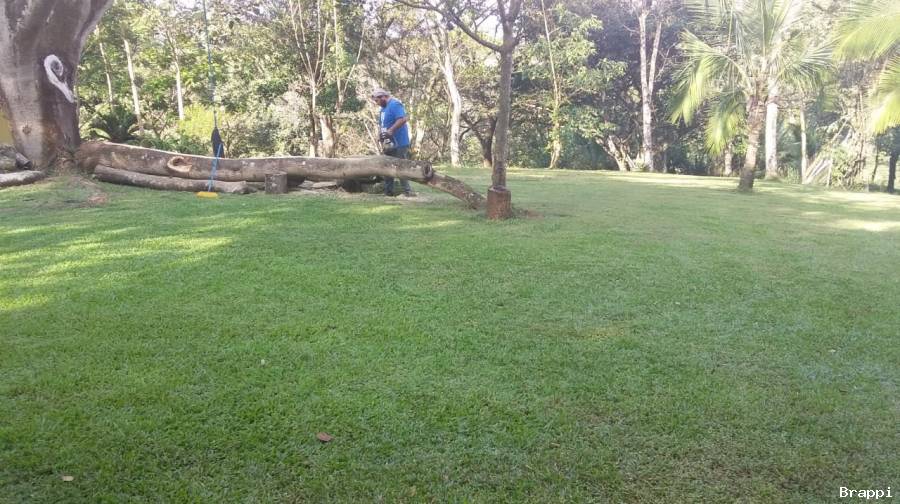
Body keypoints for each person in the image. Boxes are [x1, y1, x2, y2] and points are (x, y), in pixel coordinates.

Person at [372, 88, 413, 197]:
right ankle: (388, 192)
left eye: (377, 100)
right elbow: (382, 124)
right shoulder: (382, 109)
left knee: (400, 167)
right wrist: (380, 135)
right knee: (387, 166)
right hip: (388, 143)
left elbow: (402, 119)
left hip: (399, 142)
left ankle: (407, 192)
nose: (376, 103)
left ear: (383, 97)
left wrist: (391, 130)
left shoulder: (395, 104)